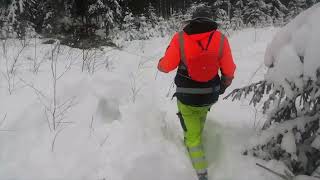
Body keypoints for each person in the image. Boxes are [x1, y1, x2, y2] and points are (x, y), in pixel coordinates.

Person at [157, 6, 236, 180]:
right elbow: (229, 70)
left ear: (193, 20)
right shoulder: (221, 39)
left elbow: (166, 66)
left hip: (186, 96)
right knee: (200, 115)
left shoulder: (180, 38)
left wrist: (160, 64)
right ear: (211, 21)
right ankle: (196, 139)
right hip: (210, 95)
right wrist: (224, 84)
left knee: (192, 137)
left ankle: (201, 173)